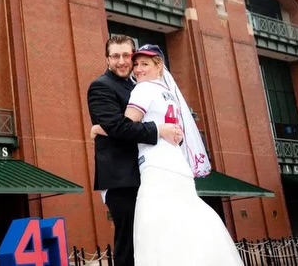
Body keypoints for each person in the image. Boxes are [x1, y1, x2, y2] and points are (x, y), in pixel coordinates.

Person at [92, 44, 244, 266]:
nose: (137, 68)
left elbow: (122, 125)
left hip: (156, 166)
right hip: (175, 165)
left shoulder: (143, 89)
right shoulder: (169, 94)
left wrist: (98, 129)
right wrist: (160, 130)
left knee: (151, 229)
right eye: (137, 64)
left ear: (159, 66)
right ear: (107, 58)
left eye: (144, 64)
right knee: (180, 224)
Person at [87, 35, 183, 266]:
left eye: (126, 55)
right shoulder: (101, 86)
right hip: (121, 179)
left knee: (150, 241)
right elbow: (118, 127)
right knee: (129, 241)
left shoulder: (140, 85)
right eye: (115, 56)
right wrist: (158, 130)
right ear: (107, 59)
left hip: (147, 174)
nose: (121, 61)